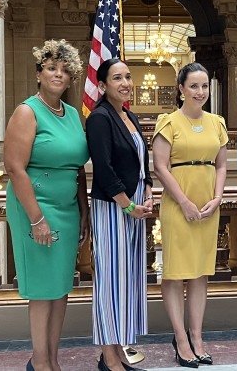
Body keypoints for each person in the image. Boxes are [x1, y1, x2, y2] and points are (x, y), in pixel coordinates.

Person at [4, 39, 89, 371]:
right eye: (52, 68)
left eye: (65, 71)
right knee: (42, 288)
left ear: (70, 79)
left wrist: (83, 210)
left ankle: (53, 359)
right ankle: (40, 362)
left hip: (67, 209)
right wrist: (37, 219)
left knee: (60, 287)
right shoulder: (27, 111)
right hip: (34, 208)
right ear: (39, 73)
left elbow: (77, 166)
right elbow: (14, 167)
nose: (58, 74)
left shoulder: (70, 114)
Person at [152, 62, 228, 368]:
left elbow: (221, 165)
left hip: (209, 204)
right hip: (178, 204)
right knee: (175, 272)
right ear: (181, 89)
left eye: (205, 86)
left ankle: (197, 336)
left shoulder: (217, 123)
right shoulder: (168, 122)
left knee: (199, 272)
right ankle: (180, 339)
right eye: (194, 86)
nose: (200, 92)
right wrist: (183, 201)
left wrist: (218, 197)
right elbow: (160, 166)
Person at [85, 58, 153, 371]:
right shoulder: (99, 118)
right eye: (117, 78)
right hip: (114, 207)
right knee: (111, 281)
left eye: (128, 77)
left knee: (127, 281)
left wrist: (149, 189)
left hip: (136, 205)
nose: (125, 83)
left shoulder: (128, 115)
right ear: (102, 85)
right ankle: (109, 357)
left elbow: (141, 161)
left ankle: (119, 349)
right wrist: (128, 204)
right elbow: (103, 167)